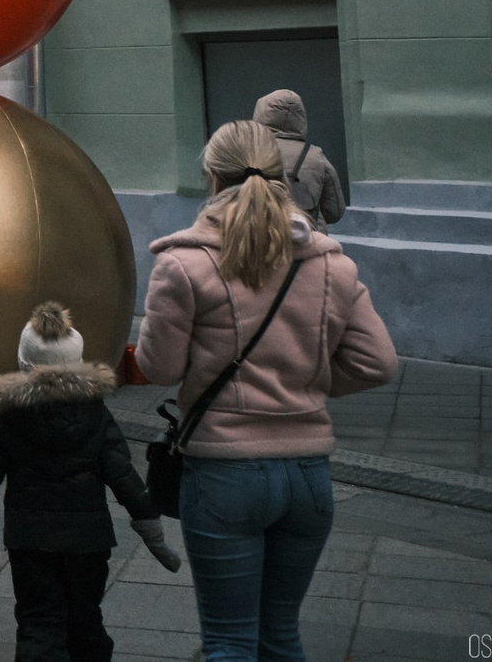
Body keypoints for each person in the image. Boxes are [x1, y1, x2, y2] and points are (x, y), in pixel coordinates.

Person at [137, 120, 396, 662]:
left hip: (223, 473)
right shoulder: (333, 264)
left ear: (211, 176)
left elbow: (159, 368)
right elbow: (377, 363)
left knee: (229, 643)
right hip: (309, 478)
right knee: (281, 637)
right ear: (282, 176)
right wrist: (309, 383)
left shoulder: (183, 265)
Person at [0, 301, 181, 662]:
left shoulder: (12, 418)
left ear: (24, 361)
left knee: (38, 620)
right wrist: (152, 531)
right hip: (88, 542)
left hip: (30, 540)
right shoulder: (96, 415)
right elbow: (123, 475)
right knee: (85, 619)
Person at [250, 90, 346, 230]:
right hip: (308, 243)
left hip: (256, 242)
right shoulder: (316, 156)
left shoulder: (246, 152)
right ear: (300, 117)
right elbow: (334, 212)